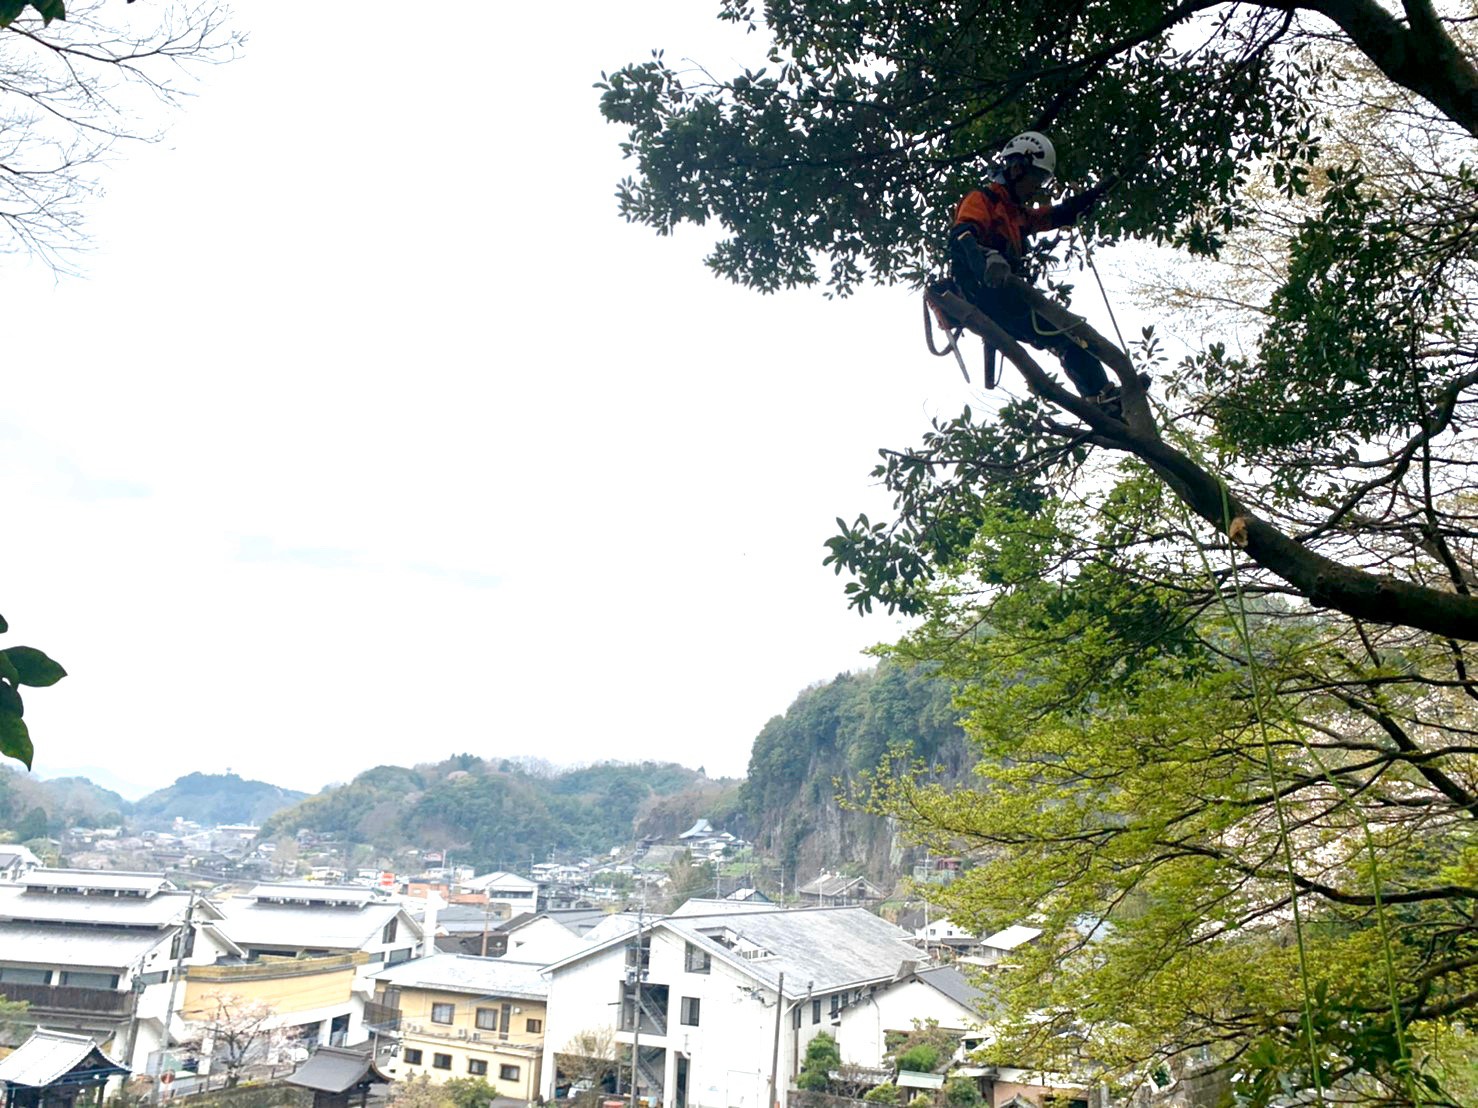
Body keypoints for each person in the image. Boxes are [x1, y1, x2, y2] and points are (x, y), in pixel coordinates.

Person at [948, 131, 1118, 405]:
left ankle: (1103, 398)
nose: (1037, 187)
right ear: (1017, 169)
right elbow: (961, 236)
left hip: (1007, 297)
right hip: (982, 293)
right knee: (1065, 334)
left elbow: (1052, 215)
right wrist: (987, 258)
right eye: (1036, 179)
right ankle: (1100, 397)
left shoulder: (1016, 213)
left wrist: (1095, 195)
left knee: (1067, 335)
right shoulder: (983, 200)